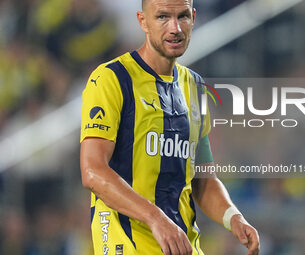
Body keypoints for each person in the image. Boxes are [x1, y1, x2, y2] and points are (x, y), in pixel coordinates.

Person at [80, 0, 260, 254]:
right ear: (143, 21)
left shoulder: (196, 88)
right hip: (128, 247)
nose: (175, 28)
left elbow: (204, 180)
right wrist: (156, 218)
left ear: (194, 18)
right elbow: (92, 171)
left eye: (183, 16)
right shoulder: (111, 79)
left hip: (184, 246)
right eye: (163, 17)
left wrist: (233, 217)